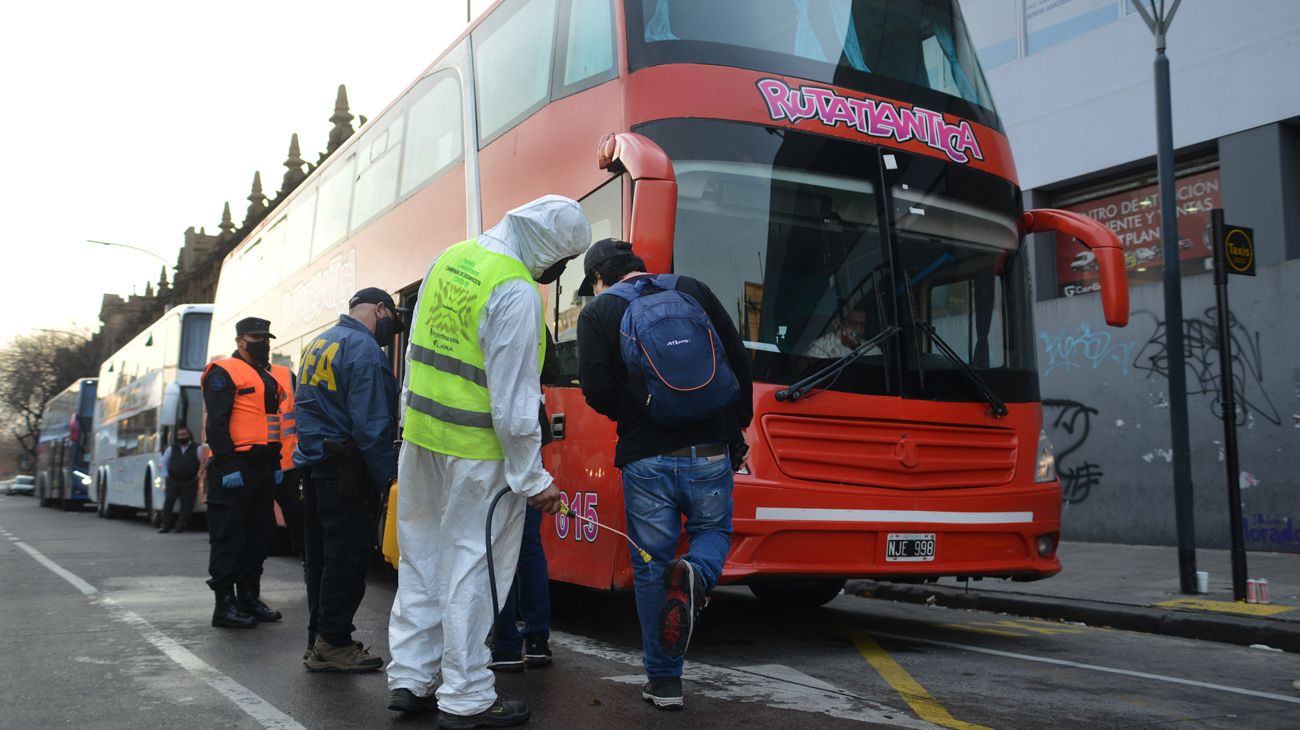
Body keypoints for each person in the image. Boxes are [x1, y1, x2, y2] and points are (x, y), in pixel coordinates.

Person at [386, 195, 589, 728]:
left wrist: (408, 427)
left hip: (422, 441)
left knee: (421, 560)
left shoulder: (449, 259)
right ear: (548, 247)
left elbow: (414, 357)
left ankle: (410, 677)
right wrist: (532, 477)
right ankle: (468, 695)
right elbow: (515, 402)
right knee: (473, 571)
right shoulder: (516, 290)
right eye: (562, 261)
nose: (557, 272)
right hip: (479, 457)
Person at [575, 238, 753, 710]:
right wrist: (738, 425)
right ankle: (696, 571)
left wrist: (640, 414)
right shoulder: (692, 289)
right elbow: (736, 358)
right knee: (712, 530)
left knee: (652, 566)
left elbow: (595, 389)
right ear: (638, 266)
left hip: (645, 456)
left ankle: (665, 681)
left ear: (599, 279)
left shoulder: (597, 314)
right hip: (710, 446)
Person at [293, 287, 403, 673]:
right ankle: (334, 643)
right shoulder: (365, 351)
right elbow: (372, 425)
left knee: (321, 560)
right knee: (347, 559)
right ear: (380, 309)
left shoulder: (318, 344)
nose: (391, 330)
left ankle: (318, 639)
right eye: (391, 319)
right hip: (347, 473)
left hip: (315, 467)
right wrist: (388, 478)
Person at [202, 316, 293, 629]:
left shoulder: (268, 378)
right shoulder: (224, 371)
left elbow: (271, 425)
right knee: (229, 537)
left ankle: (249, 598)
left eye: (266, 337)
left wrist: (277, 462)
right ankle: (224, 605)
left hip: (263, 467)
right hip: (234, 467)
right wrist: (226, 464)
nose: (264, 343)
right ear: (241, 340)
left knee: (258, 536)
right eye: (257, 337)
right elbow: (216, 423)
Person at [488, 329, 559, 673]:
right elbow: (555, 370)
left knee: (495, 542)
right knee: (529, 543)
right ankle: (536, 639)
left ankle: (504, 643)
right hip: (529, 430)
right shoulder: (531, 311)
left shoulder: (480, 299)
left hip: (486, 436)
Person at [157, 427, 200, 533]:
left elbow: (202, 463)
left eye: (184, 435)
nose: (181, 437)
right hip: (173, 481)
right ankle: (165, 525)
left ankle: (180, 526)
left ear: (189, 435)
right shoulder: (172, 448)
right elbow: (164, 463)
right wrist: (166, 476)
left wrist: (198, 476)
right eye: (179, 435)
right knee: (168, 503)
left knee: (186, 505)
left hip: (190, 482)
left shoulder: (197, 448)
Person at [804, 299, 869, 359]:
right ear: (838, 324)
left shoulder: (871, 348)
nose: (859, 330)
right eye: (853, 324)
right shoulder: (819, 348)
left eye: (862, 325)